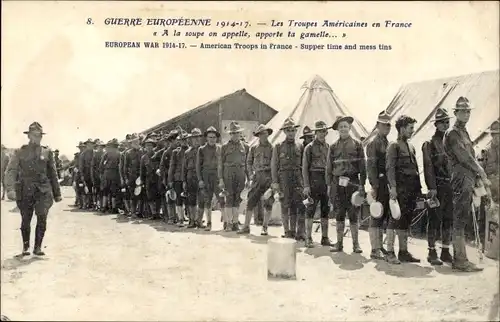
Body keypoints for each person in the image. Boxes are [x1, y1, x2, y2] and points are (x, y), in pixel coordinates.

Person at [444, 96, 488, 272]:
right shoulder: (453, 133)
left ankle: (461, 258)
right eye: (463, 111)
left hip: (468, 177)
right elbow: (465, 157)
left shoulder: (464, 132)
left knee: (463, 217)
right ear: (456, 113)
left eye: (468, 111)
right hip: (460, 177)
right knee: (460, 218)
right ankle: (460, 259)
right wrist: (481, 171)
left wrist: (476, 174)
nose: (467, 114)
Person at [4, 122, 62, 256]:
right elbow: (11, 170)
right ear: (29, 136)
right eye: (35, 135)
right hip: (25, 189)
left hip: (43, 190)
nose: (37, 138)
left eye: (40, 136)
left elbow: (52, 173)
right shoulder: (20, 152)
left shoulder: (47, 152)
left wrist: (57, 193)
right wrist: (10, 189)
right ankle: (26, 247)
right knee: (26, 218)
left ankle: (38, 247)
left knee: (42, 217)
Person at [385, 115, 422, 264]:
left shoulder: (411, 146)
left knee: (405, 220)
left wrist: (418, 190)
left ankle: (403, 251)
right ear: (401, 129)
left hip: (410, 189)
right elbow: (390, 168)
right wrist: (393, 187)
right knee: (394, 219)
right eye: (410, 128)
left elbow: (415, 169)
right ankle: (389, 252)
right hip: (399, 189)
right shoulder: (393, 146)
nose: (412, 131)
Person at [328, 116, 366, 252]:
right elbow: (329, 168)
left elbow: (362, 166)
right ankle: (339, 243)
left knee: (353, 213)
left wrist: (362, 184)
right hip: (338, 183)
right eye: (341, 127)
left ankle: (356, 244)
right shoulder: (332, 147)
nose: (343, 129)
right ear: (337, 129)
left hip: (353, 182)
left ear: (350, 128)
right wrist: (329, 186)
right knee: (339, 213)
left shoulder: (357, 145)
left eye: (345, 126)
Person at [422, 108, 454, 265]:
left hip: (451, 185)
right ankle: (431, 251)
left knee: (449, 218)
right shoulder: (430, 144)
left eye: (447, 122)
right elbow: (428, 167)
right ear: (436, 125)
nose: (445, 125)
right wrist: (432, 187)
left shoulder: (452, 141)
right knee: (434, 218)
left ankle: (446, 251)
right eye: (442, 122)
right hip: (438, 185)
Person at [238, 124, 274, 236]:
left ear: (268, 134)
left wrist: (273, 180)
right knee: (251, 201)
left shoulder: (272, 148)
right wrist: (250, 175)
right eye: (261, 134)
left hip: (268, 176)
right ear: (258, 136)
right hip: (257, 177)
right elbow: (248, 162)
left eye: (265, 133)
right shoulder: (253, 148)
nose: (263, 135)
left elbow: (275, 164)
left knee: (268, 202)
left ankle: (265, 227)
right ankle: (246, 226)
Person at [271, 117, 304, 239]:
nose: (291, 133)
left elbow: (303, 166)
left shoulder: (300, 146)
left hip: (297, 178)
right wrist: (275, 183)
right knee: (285, 205)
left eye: (292, 130)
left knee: (296, 204)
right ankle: (286, 231)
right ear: (284, 132)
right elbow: (274, 165)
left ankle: (294, 231)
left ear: (295, 131)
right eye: (288, 130)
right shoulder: (278, 146)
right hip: (283, 178)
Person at [365, 111, 392, 259]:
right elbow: (371, 167)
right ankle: (374, 249)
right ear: (377, 126)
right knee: (376, 215)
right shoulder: (373, 144)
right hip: (378, 183)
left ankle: (380, 246)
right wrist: (374, 186)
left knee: (385, 214)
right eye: (384, 125)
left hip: (386, 183)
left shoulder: (388, 143)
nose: (387, 128)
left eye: (388, 125)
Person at [302, 121, 330, 248]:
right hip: (313, 179)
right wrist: (306, 185)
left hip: (325, 180)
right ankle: (308, 238)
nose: (321, 134)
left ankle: (325, 237)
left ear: (326, 132)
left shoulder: (329, 147)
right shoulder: (309, 147)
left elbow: (331, 166)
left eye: (323, 131)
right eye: (319, 131)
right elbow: (305, 167)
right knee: (310, 209)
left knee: (325, 209)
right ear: (315, 133)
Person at [218, 122, 247, 232]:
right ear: (230, 134)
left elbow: (247, 163)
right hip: (228, 173)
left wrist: (249, 178)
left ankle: (235, 222)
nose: (236, 135)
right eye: (233, 133)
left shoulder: (245, 146)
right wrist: (221, 179)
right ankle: (228, 223)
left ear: (240, 134)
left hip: (240, 173)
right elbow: (220, 164)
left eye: (238, 133)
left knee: (238, 198)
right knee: (229, 198)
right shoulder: (224, 147)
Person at [197, 126, 224, 231]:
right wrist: (200, 180)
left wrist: (222, 179)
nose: (212, 139)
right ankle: (209, 222)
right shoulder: (201, 149)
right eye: (210, 137)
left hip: (217, 176)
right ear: (206, 138)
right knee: (207, 200)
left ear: (216, 138)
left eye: (214, 137)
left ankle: (226, 222)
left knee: (221, 199)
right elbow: (198, 166)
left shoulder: (220, 148)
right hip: (206, 176)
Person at [182, 128, 204, 228]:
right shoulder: (187, 152)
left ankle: (199, 220)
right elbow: (184, 168)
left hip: (201, 178)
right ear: (191, 139)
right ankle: (192, 220)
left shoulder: (204, 150)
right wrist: (184, 181)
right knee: (191, 200)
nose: (196, 140)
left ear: (200, 138)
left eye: (198, 138)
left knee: (202, 200)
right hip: (190, 177)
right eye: (194, 138)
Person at [296, 126, 315, 240]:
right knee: (302, 206)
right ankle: (300, 232)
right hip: (301, 181)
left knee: (309, 206)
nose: (310, 139)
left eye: (311, 137)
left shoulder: (313, 148)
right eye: (308, 137)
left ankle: (305, 233)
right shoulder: (301, 148)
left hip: (311, 180)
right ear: (305, 138)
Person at [169, 130, 189, 226]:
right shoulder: (175, 152)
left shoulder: (192, 150)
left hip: (189, 178)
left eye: (185, 139)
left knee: (191, 199)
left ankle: (192, 218)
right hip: (178, 178)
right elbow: (172, 167)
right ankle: (180, 219)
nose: (184, 141)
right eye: (182, 140)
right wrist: (170, 180)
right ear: (179, 141)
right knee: (179, 199)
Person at [160, 129, 179, 223]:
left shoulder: (179, 151)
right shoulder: (166, 153)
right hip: (169, 177)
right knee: (170, 197)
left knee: (179, 197)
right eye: (175, 140)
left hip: (178, 177)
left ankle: (179, 216)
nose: (177, 141)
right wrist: (164, 178)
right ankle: (171, 217)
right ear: (171, 141)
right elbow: (162, 167)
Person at [140, 138, 161, 219]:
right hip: (148, 179)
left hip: (157, 178)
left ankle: (158, 213)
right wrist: (142, 180)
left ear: (153, 146)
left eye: (150, 145)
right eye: (147, 146)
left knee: (158, 196)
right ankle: (153, 213)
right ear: (145, 147)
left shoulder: (157, 155)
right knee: (150, 197)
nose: (149, 147)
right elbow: (142, 170)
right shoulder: (143, 158)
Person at [122, 135, 142, 217]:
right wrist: (126, 178)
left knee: (141, 194)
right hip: (132, 176)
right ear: (132, 143)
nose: (136, 143)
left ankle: (140, 211)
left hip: (141, 176)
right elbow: (125, 167)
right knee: (133, 195)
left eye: (137, 142)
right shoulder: (128, 153)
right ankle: (133, 212)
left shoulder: (142, 151)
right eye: (134, 142)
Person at [100, 139, 121, 213]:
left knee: (105, 191)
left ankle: (104, 207)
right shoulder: (119, 153)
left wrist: (102, 173)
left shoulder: (106, 153)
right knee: (114, 191)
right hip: (115, 173)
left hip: (106, 173)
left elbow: (101, 165)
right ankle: (114, 208)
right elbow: (120, 165)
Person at [79, 138, 95, 209]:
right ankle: (87, 203)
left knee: (94, 189)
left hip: (94, 173)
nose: (89, 146)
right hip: (86, 173)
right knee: (86, 189)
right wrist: (82, 175)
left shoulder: (95, 153)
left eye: (91, 144)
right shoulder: (83, 154)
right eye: (88, 144)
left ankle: (93, 203)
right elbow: (81, 165)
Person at [91, 140, 105, 211]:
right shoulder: (95, 154)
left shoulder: (104, 153)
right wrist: (93, 176)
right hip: (96, 175)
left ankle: (102, 205)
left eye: (102, 146)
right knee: (96, 191)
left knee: (102, 191)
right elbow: (92, 166)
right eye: (100, 146)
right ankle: (95, 204)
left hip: (103, 176)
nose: (101, 148)